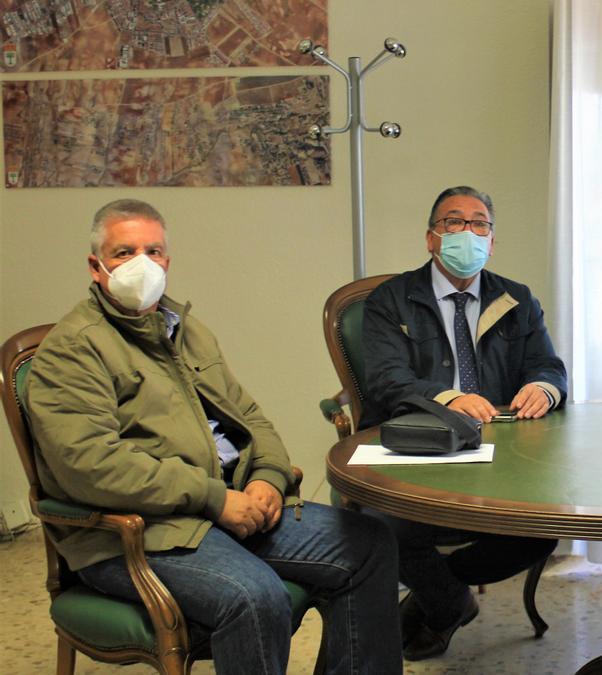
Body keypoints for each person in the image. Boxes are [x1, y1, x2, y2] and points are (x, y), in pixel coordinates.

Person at [24, 199, 401, 674]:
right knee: (255, 596)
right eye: (124, 253)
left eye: (153, 251)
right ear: (96, 267)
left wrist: (266, 478)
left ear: (167, 260)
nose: (142, 264)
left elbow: (252, 418)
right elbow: (90, 466)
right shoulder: (74, 349)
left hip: (229, 507)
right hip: (143, 534)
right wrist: (214, 498)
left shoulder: (186, 330)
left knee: (369, 544)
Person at [360, 185, 567, 661]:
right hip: (419, 445)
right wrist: (451, 398)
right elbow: (387, 380)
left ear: (492, 241)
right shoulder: (391, 300)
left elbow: (548, 365)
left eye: (480, 224)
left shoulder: (517, 298)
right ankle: (451, 604)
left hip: (501, 450)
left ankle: (438, 597)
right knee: (384, 525)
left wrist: (544, 388)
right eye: (454, 222)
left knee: (540, 529)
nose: (467, 232)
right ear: (431, 238)